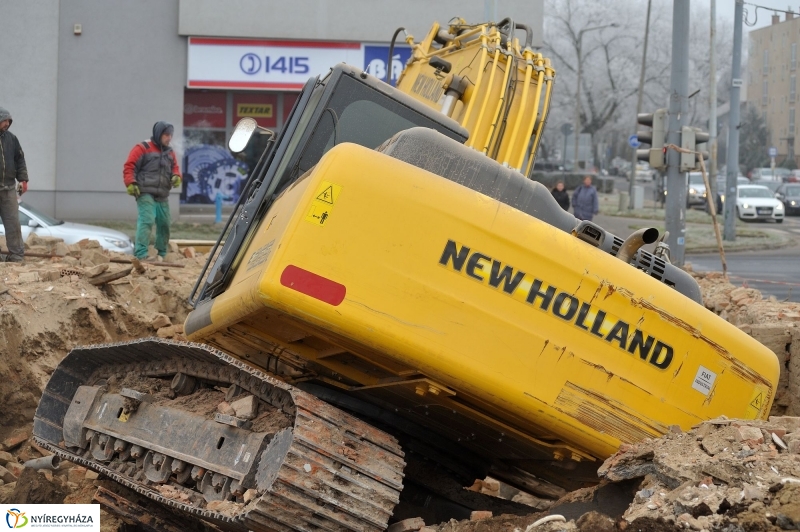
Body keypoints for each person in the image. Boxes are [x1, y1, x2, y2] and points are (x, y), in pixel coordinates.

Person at [123, 121, 182, 260]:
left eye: (170, 135)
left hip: (162, 194)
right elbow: (129, 166)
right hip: (144, 192)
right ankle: (141, 254)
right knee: (147, 220)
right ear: (158, 134)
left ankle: (161, 254)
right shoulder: (142, 148)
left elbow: (175, 168)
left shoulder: (170, 152)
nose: (169, 138)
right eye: (166, 135)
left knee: (165, 224)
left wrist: (176, 176)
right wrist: (130, 183)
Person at [0, 107, 28, 263]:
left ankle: (16, 256)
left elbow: (20, 159)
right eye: (4, 120)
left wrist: (23, 179)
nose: (6, 124)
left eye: (8, 121)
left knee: (13, 223)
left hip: (9, 188)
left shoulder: (12, 139)